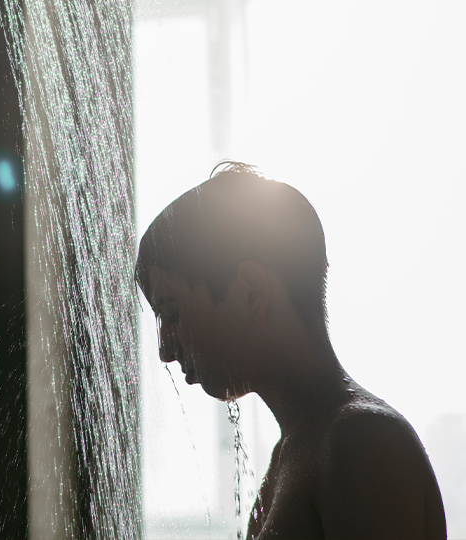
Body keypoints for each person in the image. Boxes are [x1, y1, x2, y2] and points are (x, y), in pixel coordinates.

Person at [135, 162, 447, 539]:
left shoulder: (362, 444)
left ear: (253, 291)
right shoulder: (296, 451)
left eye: (172, 313)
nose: (166, 349)